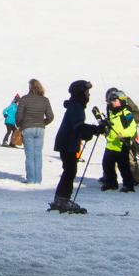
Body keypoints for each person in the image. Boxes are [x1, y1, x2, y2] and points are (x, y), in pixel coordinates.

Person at [48, 80, 94, 212]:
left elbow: (77, 128)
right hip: (67, 142)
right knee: (70, 171)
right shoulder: (76, 107)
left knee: (70, 171)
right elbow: (77, 126)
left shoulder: (76, 106)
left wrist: (88, 133)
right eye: (86, 92)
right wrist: (94, 130)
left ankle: (61, 199)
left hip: (68, 141)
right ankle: (62, 200)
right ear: (80, 93)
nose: (88, 95)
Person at [14, 79, 53, 184]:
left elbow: (18, 116)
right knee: (38, 154)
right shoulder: (45, 100)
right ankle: (38, 179)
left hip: (27, 128)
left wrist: (20, 125)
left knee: (30, 155)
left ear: (30, 87)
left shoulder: (24, 99)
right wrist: (42, 123)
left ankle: (31, 179)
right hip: (40, 129)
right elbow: (50, 116)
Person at [98, 89, 138, 193]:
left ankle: (128, 185)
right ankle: (111, 183)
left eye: (115, 101)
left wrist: (123, 134)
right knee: (107, 164)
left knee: (123, 167)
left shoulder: (126, 113)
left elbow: (132, 128)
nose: (112, 103)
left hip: (122, 144)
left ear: (121, 100)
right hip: (111, 143)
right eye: (111, 101)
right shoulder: (111, 112)